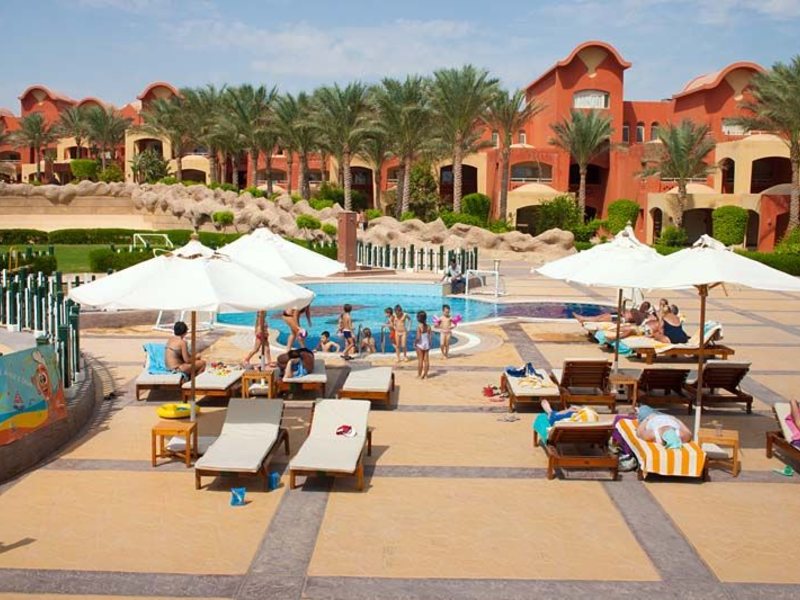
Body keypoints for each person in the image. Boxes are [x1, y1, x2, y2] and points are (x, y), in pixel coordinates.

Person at [415, 310, 431, 379]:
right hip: (426, 344)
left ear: (418, 319)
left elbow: (418, 337)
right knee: (426, 360)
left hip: (420, 344)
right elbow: (430, 337)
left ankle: (419, 375)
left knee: (420, 360)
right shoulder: (429, 326)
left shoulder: (419, 327)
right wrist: (429, 344)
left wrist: (415, 342)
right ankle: (426, 375)